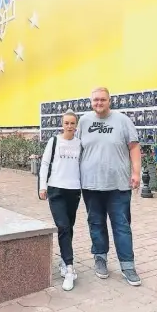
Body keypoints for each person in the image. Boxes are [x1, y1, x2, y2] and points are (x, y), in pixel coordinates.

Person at [76, 87, 142, 286]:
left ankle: (128, 265)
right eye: (95, 100)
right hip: (91, 185)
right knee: (95, 223)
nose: (99, 103)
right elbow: (76, 148)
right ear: (91, 102)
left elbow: (134, 147)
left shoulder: (122, 121)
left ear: (109, 101)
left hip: (118, 185)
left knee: (121, 226)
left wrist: (136, 173)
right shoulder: (84, 121)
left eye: (102, 100)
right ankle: (100, 258)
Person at [39, 110, 82, 291]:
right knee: (62, 226)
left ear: (76, 125)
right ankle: (70, 268)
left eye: (72, 123)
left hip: (74, 190)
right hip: (56, 189)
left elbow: (83, 166)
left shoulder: (80, 143)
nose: (69, 126)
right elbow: (45, 164)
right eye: (66, 123)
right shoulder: (54, 141)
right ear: (62, 124)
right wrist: (42, 186)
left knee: (68, 228)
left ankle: (64, 261)